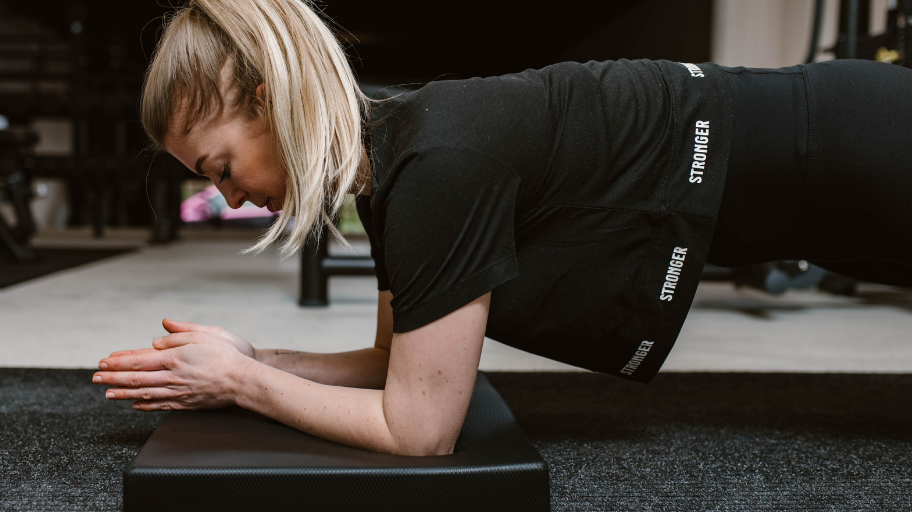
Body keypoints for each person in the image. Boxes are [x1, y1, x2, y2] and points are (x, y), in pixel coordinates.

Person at [92, 0, 912, 455]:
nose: (230, 201)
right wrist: (255, 357)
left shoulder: (437, 164)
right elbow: (396, 365)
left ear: (270, 102)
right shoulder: (396, 163)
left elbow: (419, 430)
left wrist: (240, 386)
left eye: (221, 168)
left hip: (859, 145)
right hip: (830, 192)